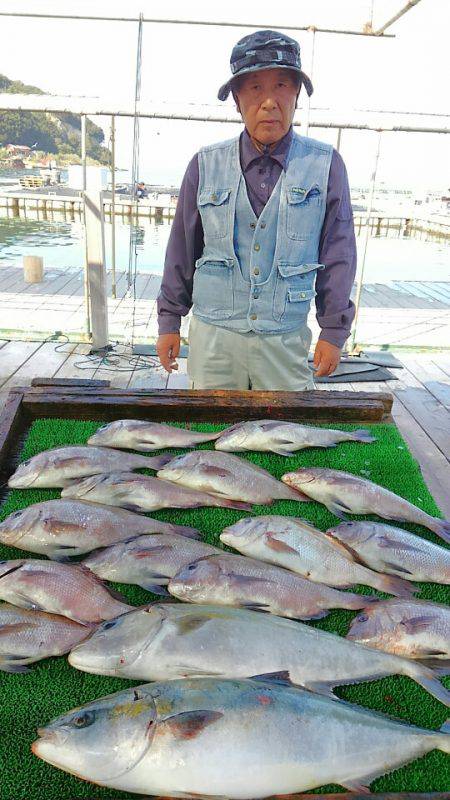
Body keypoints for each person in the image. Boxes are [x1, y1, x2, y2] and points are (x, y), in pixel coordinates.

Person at [156, 30, 356, 389]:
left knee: (285, 433)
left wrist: (333, 329)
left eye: (281, 85)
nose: (269, 102)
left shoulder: (326, 165)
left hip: (284, 336)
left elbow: (338, 252)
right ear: (235, 98)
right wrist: (169, 321)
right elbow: (181, 250)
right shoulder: (204, 164)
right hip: (214, 336)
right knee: (211, 435)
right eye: (254, 88)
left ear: (296, 93)